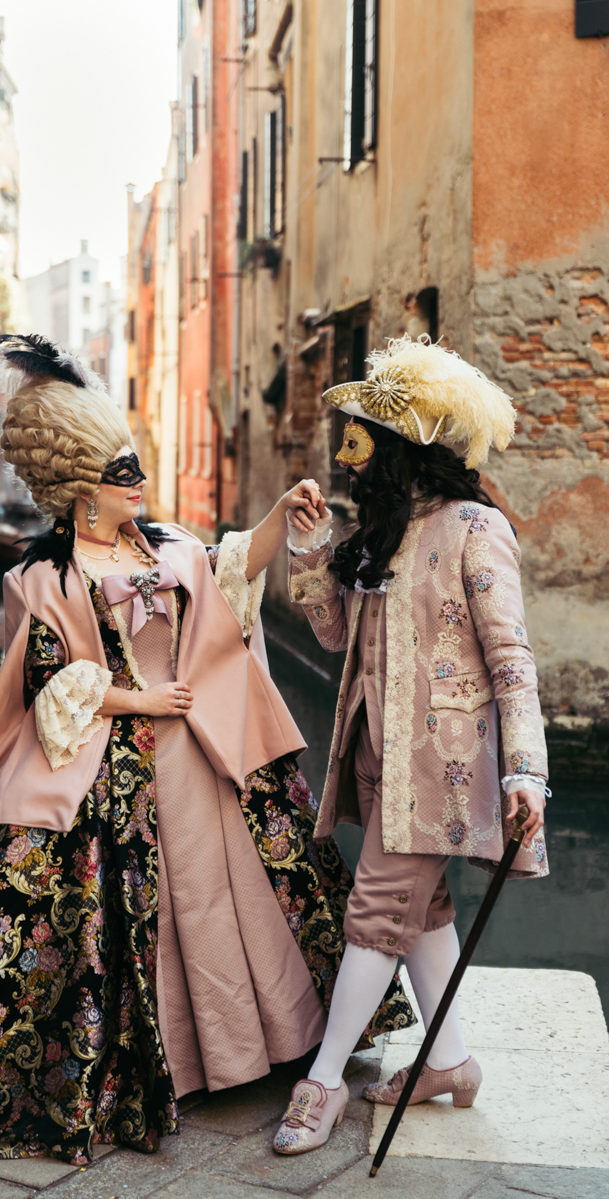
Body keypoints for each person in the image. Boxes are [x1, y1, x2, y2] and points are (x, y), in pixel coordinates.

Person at [0, 335, 413, 1166]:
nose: (139, 481)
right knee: (117, 922)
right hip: (103, 768)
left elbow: (230, 569)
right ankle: (152, 1066)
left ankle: (255, 1048)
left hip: (201, 759)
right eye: (122, 473)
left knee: (230, 903)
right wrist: (134, 697)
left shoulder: (165, 546)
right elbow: (48, 680)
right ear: (82, 490)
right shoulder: (48, 577)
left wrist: (282, 517)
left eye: (134, 467)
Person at [272, 335, 549, 1155]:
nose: (350, 460)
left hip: (443, 770)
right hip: (373, 758)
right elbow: (331, 639)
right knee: (419, 910)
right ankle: (449, 1063)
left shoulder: (474, 527)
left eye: (363, 443)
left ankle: (320, 1083)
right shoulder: (384, 532)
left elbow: (511, 660)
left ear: (400, 448)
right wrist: (312, 552)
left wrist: (527, 769)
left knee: (374, 914)